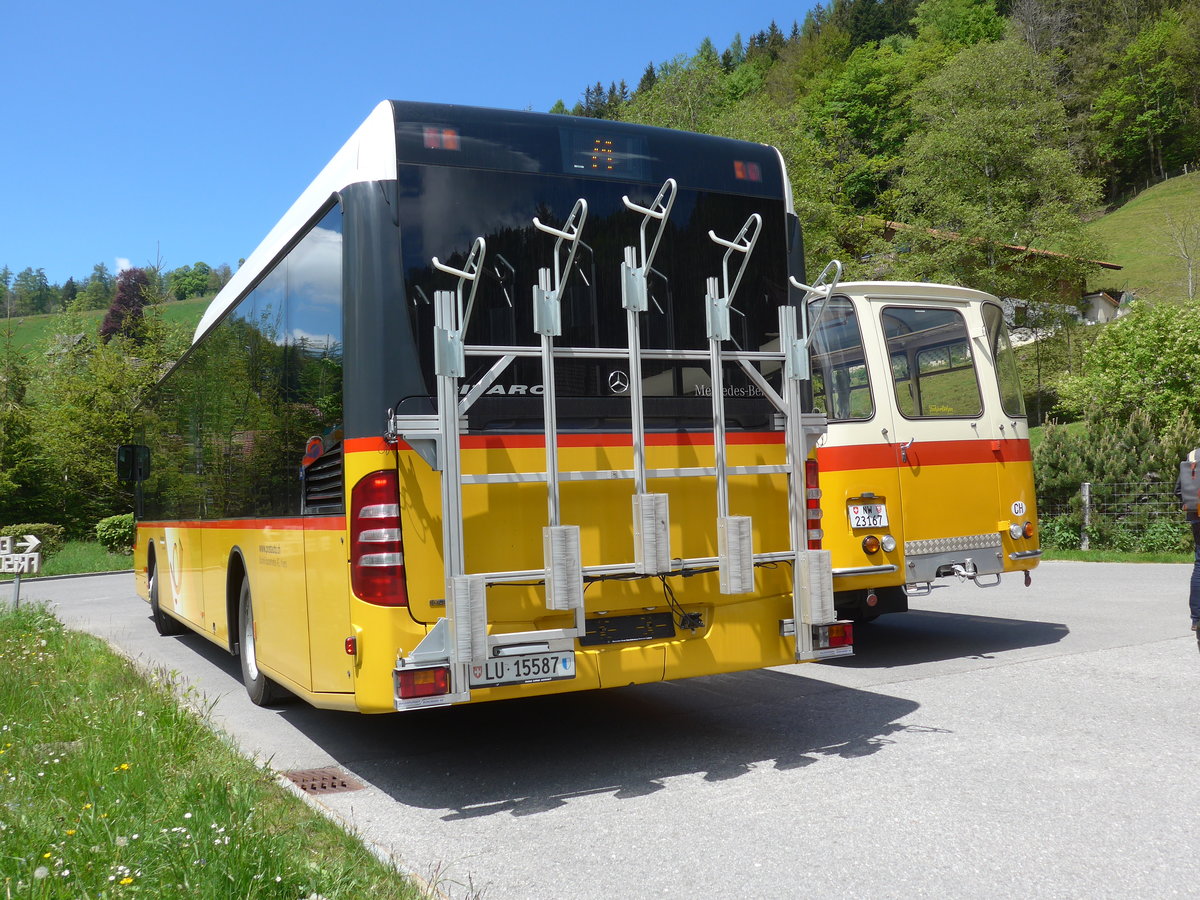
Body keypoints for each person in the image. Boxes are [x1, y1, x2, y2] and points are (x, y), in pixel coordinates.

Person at [1175, 449, 1200, 634]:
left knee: (1199, 566)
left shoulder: (1194, 455)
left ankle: (1197, 619)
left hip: (1197, 514)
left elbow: (1178, 490)